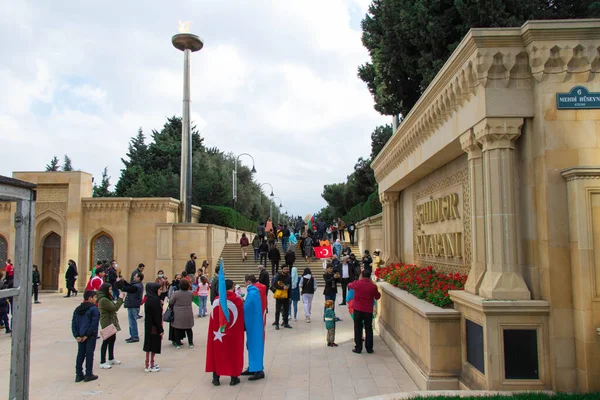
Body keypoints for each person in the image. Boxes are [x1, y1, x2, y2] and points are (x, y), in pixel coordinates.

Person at [206, 279, 244, 387]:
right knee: (233, 353)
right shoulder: (237, 300)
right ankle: (233, 378)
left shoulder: (216, 301)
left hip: (218, 334)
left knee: (217, 353)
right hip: (233, 333)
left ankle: (216, 378)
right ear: (232, 287)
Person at [349, 269, 381, 354]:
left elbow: (349, 285)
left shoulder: (357, 283)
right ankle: (369, 348)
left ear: (362, 275)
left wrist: (358, 280)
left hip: (358, 309)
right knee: (368, 328)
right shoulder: (372, 286)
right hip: (368, 310)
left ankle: (358, 348)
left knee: (358, 328)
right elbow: (377, 296)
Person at [72, 290, 100, 382]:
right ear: (90, 298)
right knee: (89, 354)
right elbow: (94, 324)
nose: (96, 299)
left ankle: (79, 374)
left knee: (80, 354)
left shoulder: (78, 308)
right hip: (89, 336)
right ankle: (88, 374)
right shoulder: (94, 309)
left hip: (80, 335)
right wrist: (87, 335)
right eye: (95, 297)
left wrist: (76, 335)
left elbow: (74, 323)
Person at [241, 274, 265, 381]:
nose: (244, 284)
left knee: (254, 345)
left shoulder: (252, 292)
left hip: (254, 324)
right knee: (250, 345)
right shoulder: (254, 291)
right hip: (253, 323)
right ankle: (252, 367)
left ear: (249, 282)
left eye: (244, 282)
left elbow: (246, 307)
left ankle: (258, 370)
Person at [97, 282, 125, 369]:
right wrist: (120, 299)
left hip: (111, 320)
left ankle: (111, 358)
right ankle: (102, 361)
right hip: (107, 322)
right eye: (109, 289)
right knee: (106, 341)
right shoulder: (103, 299)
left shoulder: (106, 298)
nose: (111, 291)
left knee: (112, 339)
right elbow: (114, 307)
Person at [143, 282, 163, 373]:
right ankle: (151, 364)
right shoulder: (154, 301)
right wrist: (160, 329)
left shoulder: (149, 299)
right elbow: (156, 317)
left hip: (149, 325)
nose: (160, 291)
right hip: (154, 327)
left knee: (149, 345)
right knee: (153, 345)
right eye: (159, 289)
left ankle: (148, 364)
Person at [170, 279, 195, 349]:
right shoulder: (190, 293)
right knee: (189, 328)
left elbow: (171, 302)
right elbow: (192, 299)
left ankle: (177, 343)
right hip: (188, 312)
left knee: (177, 328)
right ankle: (191, 343)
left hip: (178, 313)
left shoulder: (176, 293)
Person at [123, 272, 144, 343]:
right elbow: (129, 286)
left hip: (133, 305)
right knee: (131, 321)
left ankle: (135, 336)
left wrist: (120, 284)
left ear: (139, 278)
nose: (134, 277)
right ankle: (132, 335)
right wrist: (124, 281)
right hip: (132, 304)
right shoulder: (136, 284)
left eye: (135, 276)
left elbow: (128, 288)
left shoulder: (137, 286)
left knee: (132, 321)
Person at [272, 265, 292, 330]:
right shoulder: (278, 276)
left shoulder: (289, 276)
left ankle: (286, 323)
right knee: (277, 310)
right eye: (285, 269)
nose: (286, 270)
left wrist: (288, 287)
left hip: (286, 295)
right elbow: (274, 284)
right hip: (279, 296)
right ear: (282, 270)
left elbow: (290, 284)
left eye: (287, 269)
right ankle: (277, 324)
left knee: (286, 310)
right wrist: (282, 287)